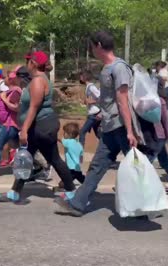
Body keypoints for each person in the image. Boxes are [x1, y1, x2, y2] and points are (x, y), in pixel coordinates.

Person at [54, 31, 144, 217]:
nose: (92, 50)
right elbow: (111, 100)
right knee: (97, 165)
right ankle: (78, 204)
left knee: (135, 167)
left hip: (121, 126)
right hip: (110, 125)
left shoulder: (119, 68)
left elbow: (123, 99)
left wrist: (129, 130)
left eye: (92, 47)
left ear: (99, 46)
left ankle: (145, 204)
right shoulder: (108, 68)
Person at [0, 51, 76, 203]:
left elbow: (34, 107)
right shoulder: (38, 79)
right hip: (39, 126)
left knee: (53, 159)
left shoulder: (38, 81)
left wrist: (24, 129)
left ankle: (72, 192)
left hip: (41, 127)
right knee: (26, 158)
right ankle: (15, 192)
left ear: (32, 63)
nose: (26, 64)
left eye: (27, 61)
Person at [55, 122, 85, 192]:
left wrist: (53, 136)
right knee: (81, 178)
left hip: (71, 168)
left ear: (70, 134)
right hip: (77, 167)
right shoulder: (79, 144)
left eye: (64, 133)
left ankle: (67, 187)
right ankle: (88, 184)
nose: (63, 134)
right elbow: (81, 156)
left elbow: (60, 140)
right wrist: (80, 161)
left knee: (65, 181)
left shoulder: (68, 142)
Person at [78, 70, 101, 146]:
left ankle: (80, 151)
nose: (80, 77)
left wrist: (92, 101)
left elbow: (101, 98)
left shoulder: (91, 87)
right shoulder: (88, 86)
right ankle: (108, 148)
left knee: (82, 132)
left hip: (94, 115)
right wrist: (86, 101)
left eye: (81, 76)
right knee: (98, 134)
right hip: (94, 113)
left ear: (84, 77)